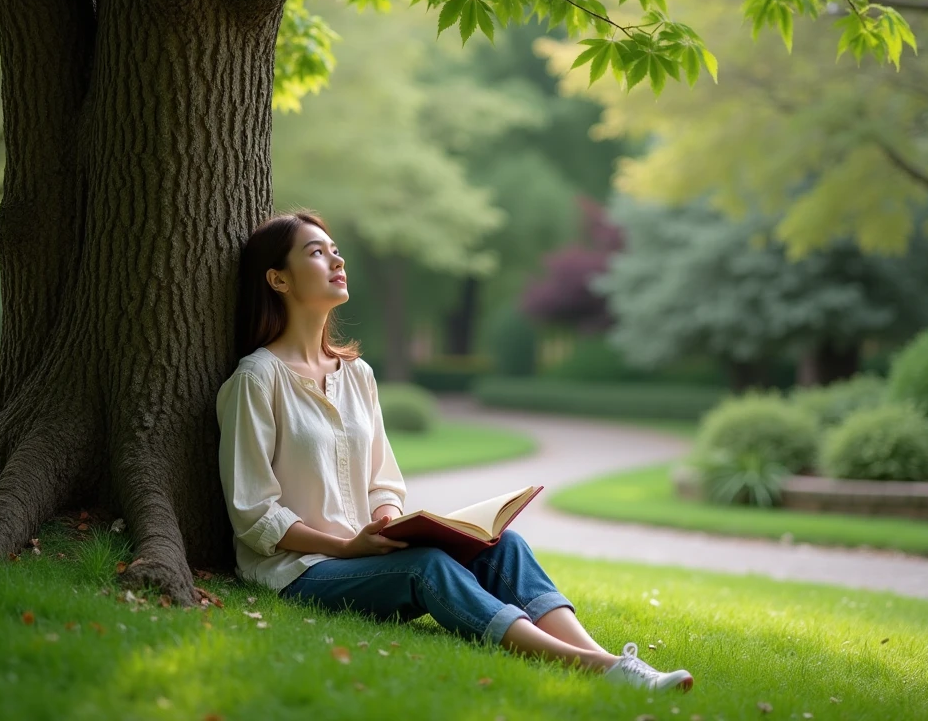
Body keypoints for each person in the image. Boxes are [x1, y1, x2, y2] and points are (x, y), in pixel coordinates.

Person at [216, 210, 694, 692]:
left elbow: (383, 479)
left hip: (365, 554)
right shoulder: (256, 381)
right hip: (300, 573)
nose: (336, 259)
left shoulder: (356, 375)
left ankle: (611, 661)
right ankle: (591, 669)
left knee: (504, 545)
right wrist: (346, 546)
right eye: (316, 252)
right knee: (427, 567)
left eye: (335, 249)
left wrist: (387, 520)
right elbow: (254, 515)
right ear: (278, 278)